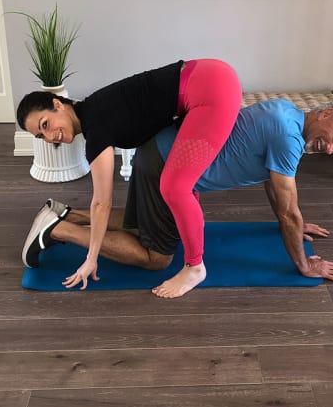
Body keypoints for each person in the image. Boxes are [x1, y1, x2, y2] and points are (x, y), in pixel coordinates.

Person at [22, 100, 333, 297]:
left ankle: (67, 214)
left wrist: (289, 220)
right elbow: (288, 209)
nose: (332, 148)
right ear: (324, 114)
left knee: (143, 221)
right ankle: (59, 231)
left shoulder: (285, 114)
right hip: (166, 166)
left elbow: (278, 192)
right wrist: (304, 264)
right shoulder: (288, 137)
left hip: (158, 151)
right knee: (156, 257)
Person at [17, 60, 244, 296]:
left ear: (58, 104)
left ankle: (195, 266)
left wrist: (91, 259)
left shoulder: (96, 129)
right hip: (209, 75)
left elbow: (102, 202)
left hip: (211, 88)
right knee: (177, 181)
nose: (50, 136)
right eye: (41, 136)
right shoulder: (93, 109)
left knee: (175, 188)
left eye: (46, 124)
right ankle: (63, 217)